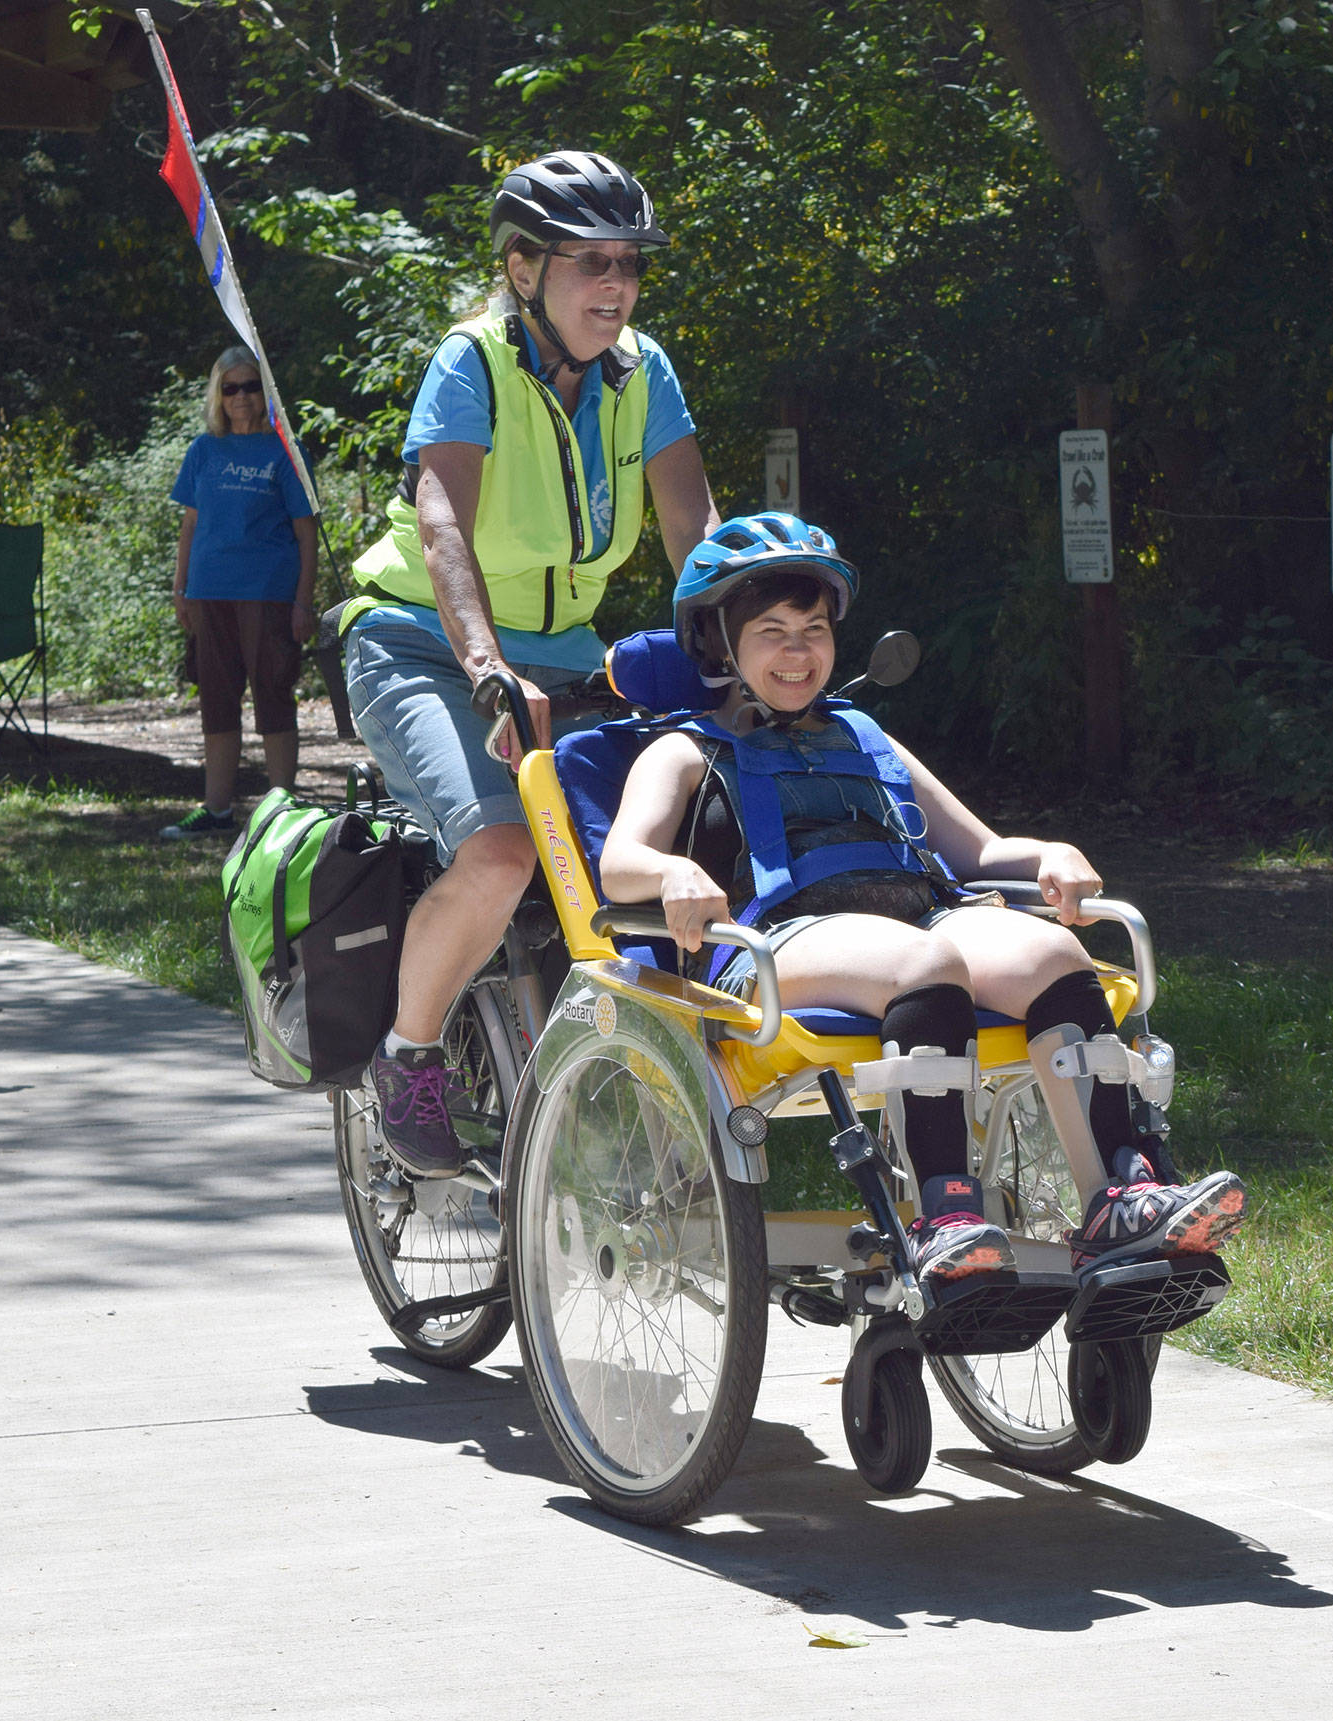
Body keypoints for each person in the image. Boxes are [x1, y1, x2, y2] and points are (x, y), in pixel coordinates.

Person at [599, 513, 1248, 1284]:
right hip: (781, 938)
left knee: (1051, 950)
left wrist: (1050, 852)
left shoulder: (866, 735)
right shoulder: (684, 748)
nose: (799, 650)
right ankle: (946, 1216)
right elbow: (620, 862)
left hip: (922, 914)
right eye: (772, 630)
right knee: (928, 959)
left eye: (813, 627)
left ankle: (1122, 1194)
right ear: (720, 644)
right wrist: (670, 874)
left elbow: (976, 850)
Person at [343, 150, 717, 1177]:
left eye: (628, 265)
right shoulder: (473, 361)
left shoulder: (643, 369)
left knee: (637, 854)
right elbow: (441, 522)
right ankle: (408, 1056)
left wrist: (736, 639)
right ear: (521, 269)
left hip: (567, 653)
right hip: (420, 638)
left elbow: (691, 522)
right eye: (587, 262)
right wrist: (480, 661)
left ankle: (621, 1100)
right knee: (505, 852)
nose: (614, 285)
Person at [159, 346, 319, 840]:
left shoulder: (285, 449)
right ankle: (216, 808)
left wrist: (302, 600)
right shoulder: (203, 451)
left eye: (251, 386)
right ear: (218, 396)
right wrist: (181, 586)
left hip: (268, 592)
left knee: (273, 694)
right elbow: (190, 525)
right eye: (231, 388)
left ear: (264, 391)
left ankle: (281, 814)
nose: (242, 397)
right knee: (217, 699)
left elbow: (306, 531)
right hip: (209, 593)